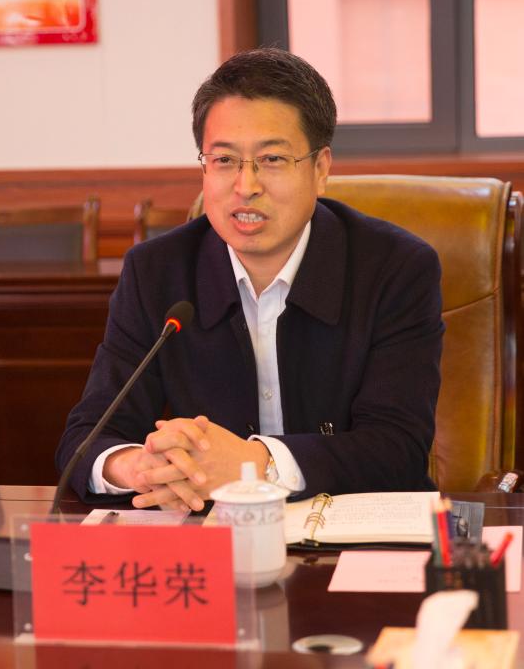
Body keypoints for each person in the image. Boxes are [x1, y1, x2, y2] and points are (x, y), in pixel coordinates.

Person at [55, 47, 443, 510]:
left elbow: (397, 448)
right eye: (224, 160)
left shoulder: (396, 269)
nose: (246, 186)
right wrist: (139, 466)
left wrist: (256, 464)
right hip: (214, 536)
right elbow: (87, 437)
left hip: (353, 535)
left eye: (272, 159)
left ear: (320, 169)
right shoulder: (156, 273)